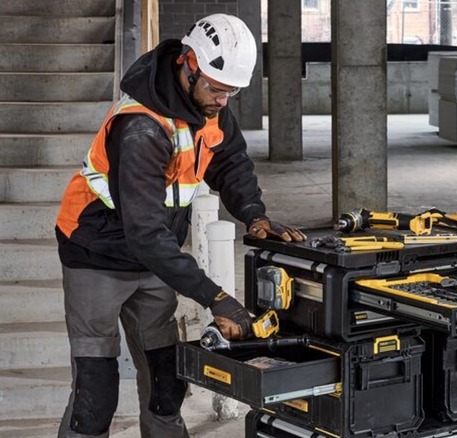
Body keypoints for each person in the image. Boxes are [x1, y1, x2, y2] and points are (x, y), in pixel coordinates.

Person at [54, 14, 305, 437]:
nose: (223, 101)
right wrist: (216, 297)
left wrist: (254, 213)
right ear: (187, 63)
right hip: (95, 254)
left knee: (166, 383)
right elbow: (145, 233)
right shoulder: (141, 129)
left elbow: (229, 162)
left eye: (231, 92)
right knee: (95, 395)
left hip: (154, 258)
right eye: (216, 88)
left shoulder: (209, 107)